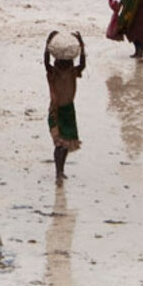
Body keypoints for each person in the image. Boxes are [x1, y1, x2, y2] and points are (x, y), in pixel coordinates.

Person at [44, 31, 86, 180]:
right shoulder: (53, 73)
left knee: (66, 145)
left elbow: (82, 64)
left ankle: (60, 171)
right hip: (56, 111)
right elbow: (46, 62)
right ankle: (58, 172)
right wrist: (47, 45)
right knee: (59, 144)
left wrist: (81, 46)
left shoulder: (72, 72)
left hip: (68, 111)